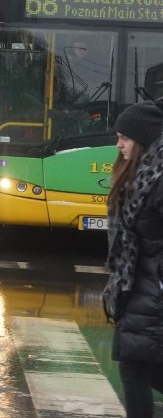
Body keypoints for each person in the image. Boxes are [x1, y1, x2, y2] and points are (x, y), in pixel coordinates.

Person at [103, 100, 163, 417]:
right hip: (140, 295)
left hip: (153, 298)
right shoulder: (143, 175)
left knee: (136, 371)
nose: (119, 144)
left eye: (124, 137)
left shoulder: (158, 179)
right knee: (141, 371)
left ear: (142, 140)